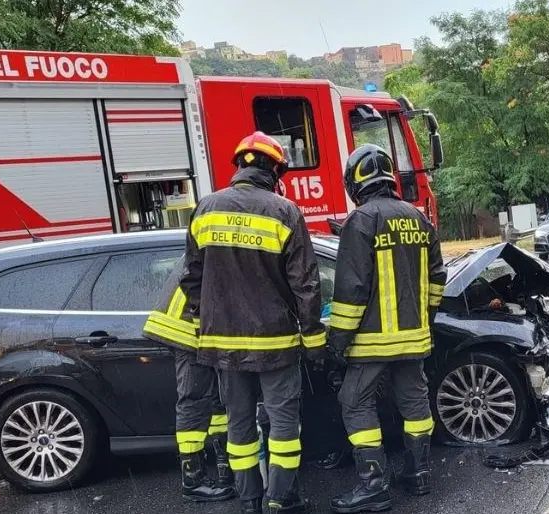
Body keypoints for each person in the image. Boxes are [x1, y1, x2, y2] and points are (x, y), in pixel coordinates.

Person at [181, 131, 326, 514]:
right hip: (276, 344)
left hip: (223, 347)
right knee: (283, 426)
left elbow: (190, 278)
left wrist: (208, 317)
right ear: (274, 169)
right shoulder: (285, 211)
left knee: (239, 426)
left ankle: (249, 501)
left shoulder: (206, 208)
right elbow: (306, 285)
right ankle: (280, 499)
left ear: (240, 166)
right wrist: (313, 340)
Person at [326, 144, 446, 514]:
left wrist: (337, 343)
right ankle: (418, 474)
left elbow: (351, 291)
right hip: (414, 339)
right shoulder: (418, 218)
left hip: (371, 343)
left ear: (355, 182)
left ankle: (374, 485)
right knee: (415, 404)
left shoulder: (361, 221)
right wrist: (425, 319)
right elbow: (437, 278)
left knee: (354, 403)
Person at [143, 255, 236, 502]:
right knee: (195, 399)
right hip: (187, 325)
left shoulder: (213, 225)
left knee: (218, 400)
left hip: (199, 322)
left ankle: (225, 468)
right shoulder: (220, 231)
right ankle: (193, 480)